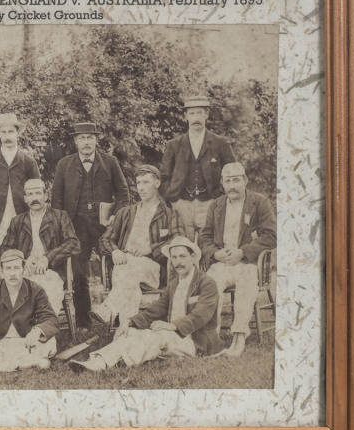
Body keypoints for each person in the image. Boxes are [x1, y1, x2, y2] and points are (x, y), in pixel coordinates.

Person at [69, 236, 222, 372]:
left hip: (195, 342)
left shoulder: (206, 283)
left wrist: (173, 325)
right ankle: (98, 361)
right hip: (172, 337)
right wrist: (130, 321)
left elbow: (202, 315)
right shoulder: (175, 283)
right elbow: (157, 309)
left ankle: (124, 362)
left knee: (157, 335)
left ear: (193, 257)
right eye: (174, 257)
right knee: (133, 332)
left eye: (182, 256)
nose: (178, 262)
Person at [51, 122, 130, 328]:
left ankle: (118, 316)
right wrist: (63, 225)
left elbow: (123, 194)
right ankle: (84, 321)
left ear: (96, 140)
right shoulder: (64, 164)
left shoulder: (110, 162)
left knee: (115, 268)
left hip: (105, 228)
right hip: (76, 227)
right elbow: (57, 199)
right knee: (79, 272)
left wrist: (117, 217)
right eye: (82, 138)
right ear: (75, 141)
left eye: (90, 138)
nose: (86, 142)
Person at [199, 162, 277, 357]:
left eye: (236, 180)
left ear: (245, 180)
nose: (232, 185)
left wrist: (243, 252)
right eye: (228, 181)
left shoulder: (259, 202)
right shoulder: (216, 205)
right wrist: (214, 254)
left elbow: (271, 235)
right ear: (223, 184)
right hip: (221, 263)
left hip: (247, 263)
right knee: (209, 283)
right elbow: (205, 237)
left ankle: (239, 335)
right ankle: (211, 335)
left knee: (247, 281)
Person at [94, 164, 184, 325]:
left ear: (157, 184)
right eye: (138, 183)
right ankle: (127, 331)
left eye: (146, 183)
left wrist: (151, 249)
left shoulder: (169, 214)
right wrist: (115, 252)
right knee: (130, 284)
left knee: (129, 269)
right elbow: (104, 240)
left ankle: (108, 308)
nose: (141, 188)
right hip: (125, 265)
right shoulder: (126, 213)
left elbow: (178, 240)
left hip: (152, 267)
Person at [0, 250, 60, 373]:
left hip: (24, 342)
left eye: (16, 268)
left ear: (23, 269)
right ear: (1, 271)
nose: (12, 273)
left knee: (50, 342)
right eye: (8, 268)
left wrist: (37, 331)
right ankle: (28, 363)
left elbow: (51, 318)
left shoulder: (36, 290)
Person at [159, 95, 236, 242]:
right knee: (183, 246)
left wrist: (220, 199)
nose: (196, 117)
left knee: (209, 245)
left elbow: (232, 172)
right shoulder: (174, 145)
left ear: (206, 115)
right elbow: (164, 176)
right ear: (185, 116)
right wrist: (173, 199)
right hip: (182, 204)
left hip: (210, 203)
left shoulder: (220, 143)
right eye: (192, 113)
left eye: (200, 112)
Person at [0, 178, 80, 315]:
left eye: (38, 193)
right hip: (25, 272)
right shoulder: (17, 221)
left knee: (46, 294)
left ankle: (44, 331)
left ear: (46, 196)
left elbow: (73, 243)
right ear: (25, 198)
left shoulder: (60, 216)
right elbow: (4, 249)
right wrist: (21, 261)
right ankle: (22, 329)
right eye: (30, 194)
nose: (34, 198)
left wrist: (47, 258)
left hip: (53, 272)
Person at [0, 113, 40, 281]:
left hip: (23, 221)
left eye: (11, 132)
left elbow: (37, 193)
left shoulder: (28, 162)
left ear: (17, 133)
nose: (7, 136)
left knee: (24, 263)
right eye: (3, 132)